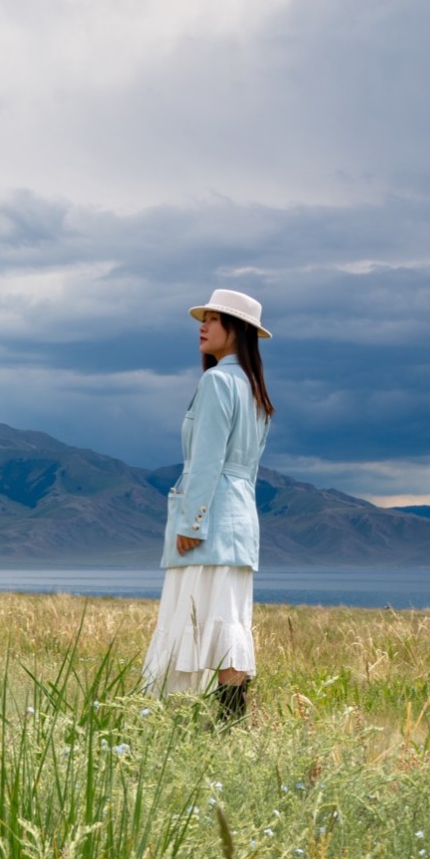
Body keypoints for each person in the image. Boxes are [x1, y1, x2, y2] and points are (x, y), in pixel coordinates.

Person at [142, 288, 273, 719]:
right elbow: (246, 471)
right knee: (227, 621)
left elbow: (206, 461)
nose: (203, 326)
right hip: (239, 520)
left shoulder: (217, 381)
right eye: (205, 318)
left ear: (236, 330)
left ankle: (177, 719)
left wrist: (190, 522)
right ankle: (227, 724)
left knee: (197, 621)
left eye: (214, 319)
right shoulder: (252, 388)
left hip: (210, 520)